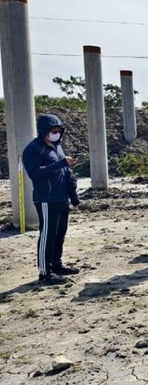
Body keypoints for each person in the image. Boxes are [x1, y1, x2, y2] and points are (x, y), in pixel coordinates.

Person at [22, 114, 81, 284]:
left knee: (59, 234)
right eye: (53, 131)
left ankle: (56, 265)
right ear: (44, 131)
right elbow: (35, 173)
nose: (57, 134)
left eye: (59, 131)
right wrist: (62, 163)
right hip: (46, 199)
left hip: (62, 198)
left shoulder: (57, 147)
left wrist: (73, 197)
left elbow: (66, 174)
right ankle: (44, 272)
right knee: (47, 235)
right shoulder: (33, 149)